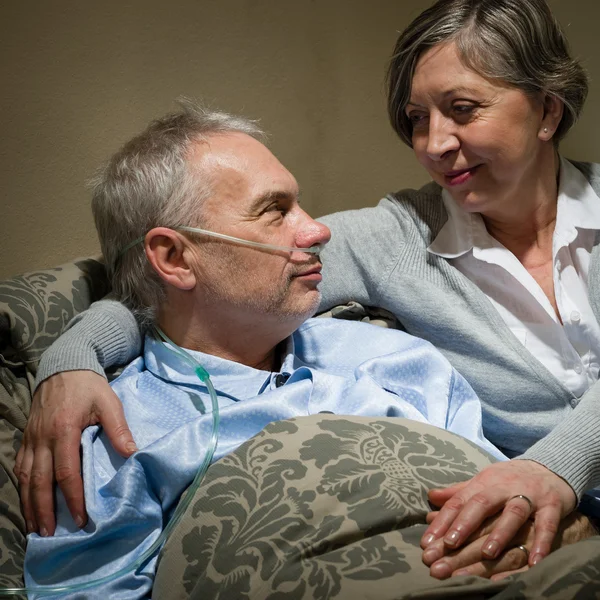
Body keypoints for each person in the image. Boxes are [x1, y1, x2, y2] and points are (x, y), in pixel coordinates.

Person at [15, 0, 600, 581]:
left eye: (463, 109)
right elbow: (184, 284)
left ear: (547, 110)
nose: (434, 144)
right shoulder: (397, 237)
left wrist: (554, 468)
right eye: (417, 117)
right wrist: (72, 361)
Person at [23, 103, 513, 597]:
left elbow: (507, 505)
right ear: (174, 257)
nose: (319, 232)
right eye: (275, 211)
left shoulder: (401, 361)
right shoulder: (119, 437)